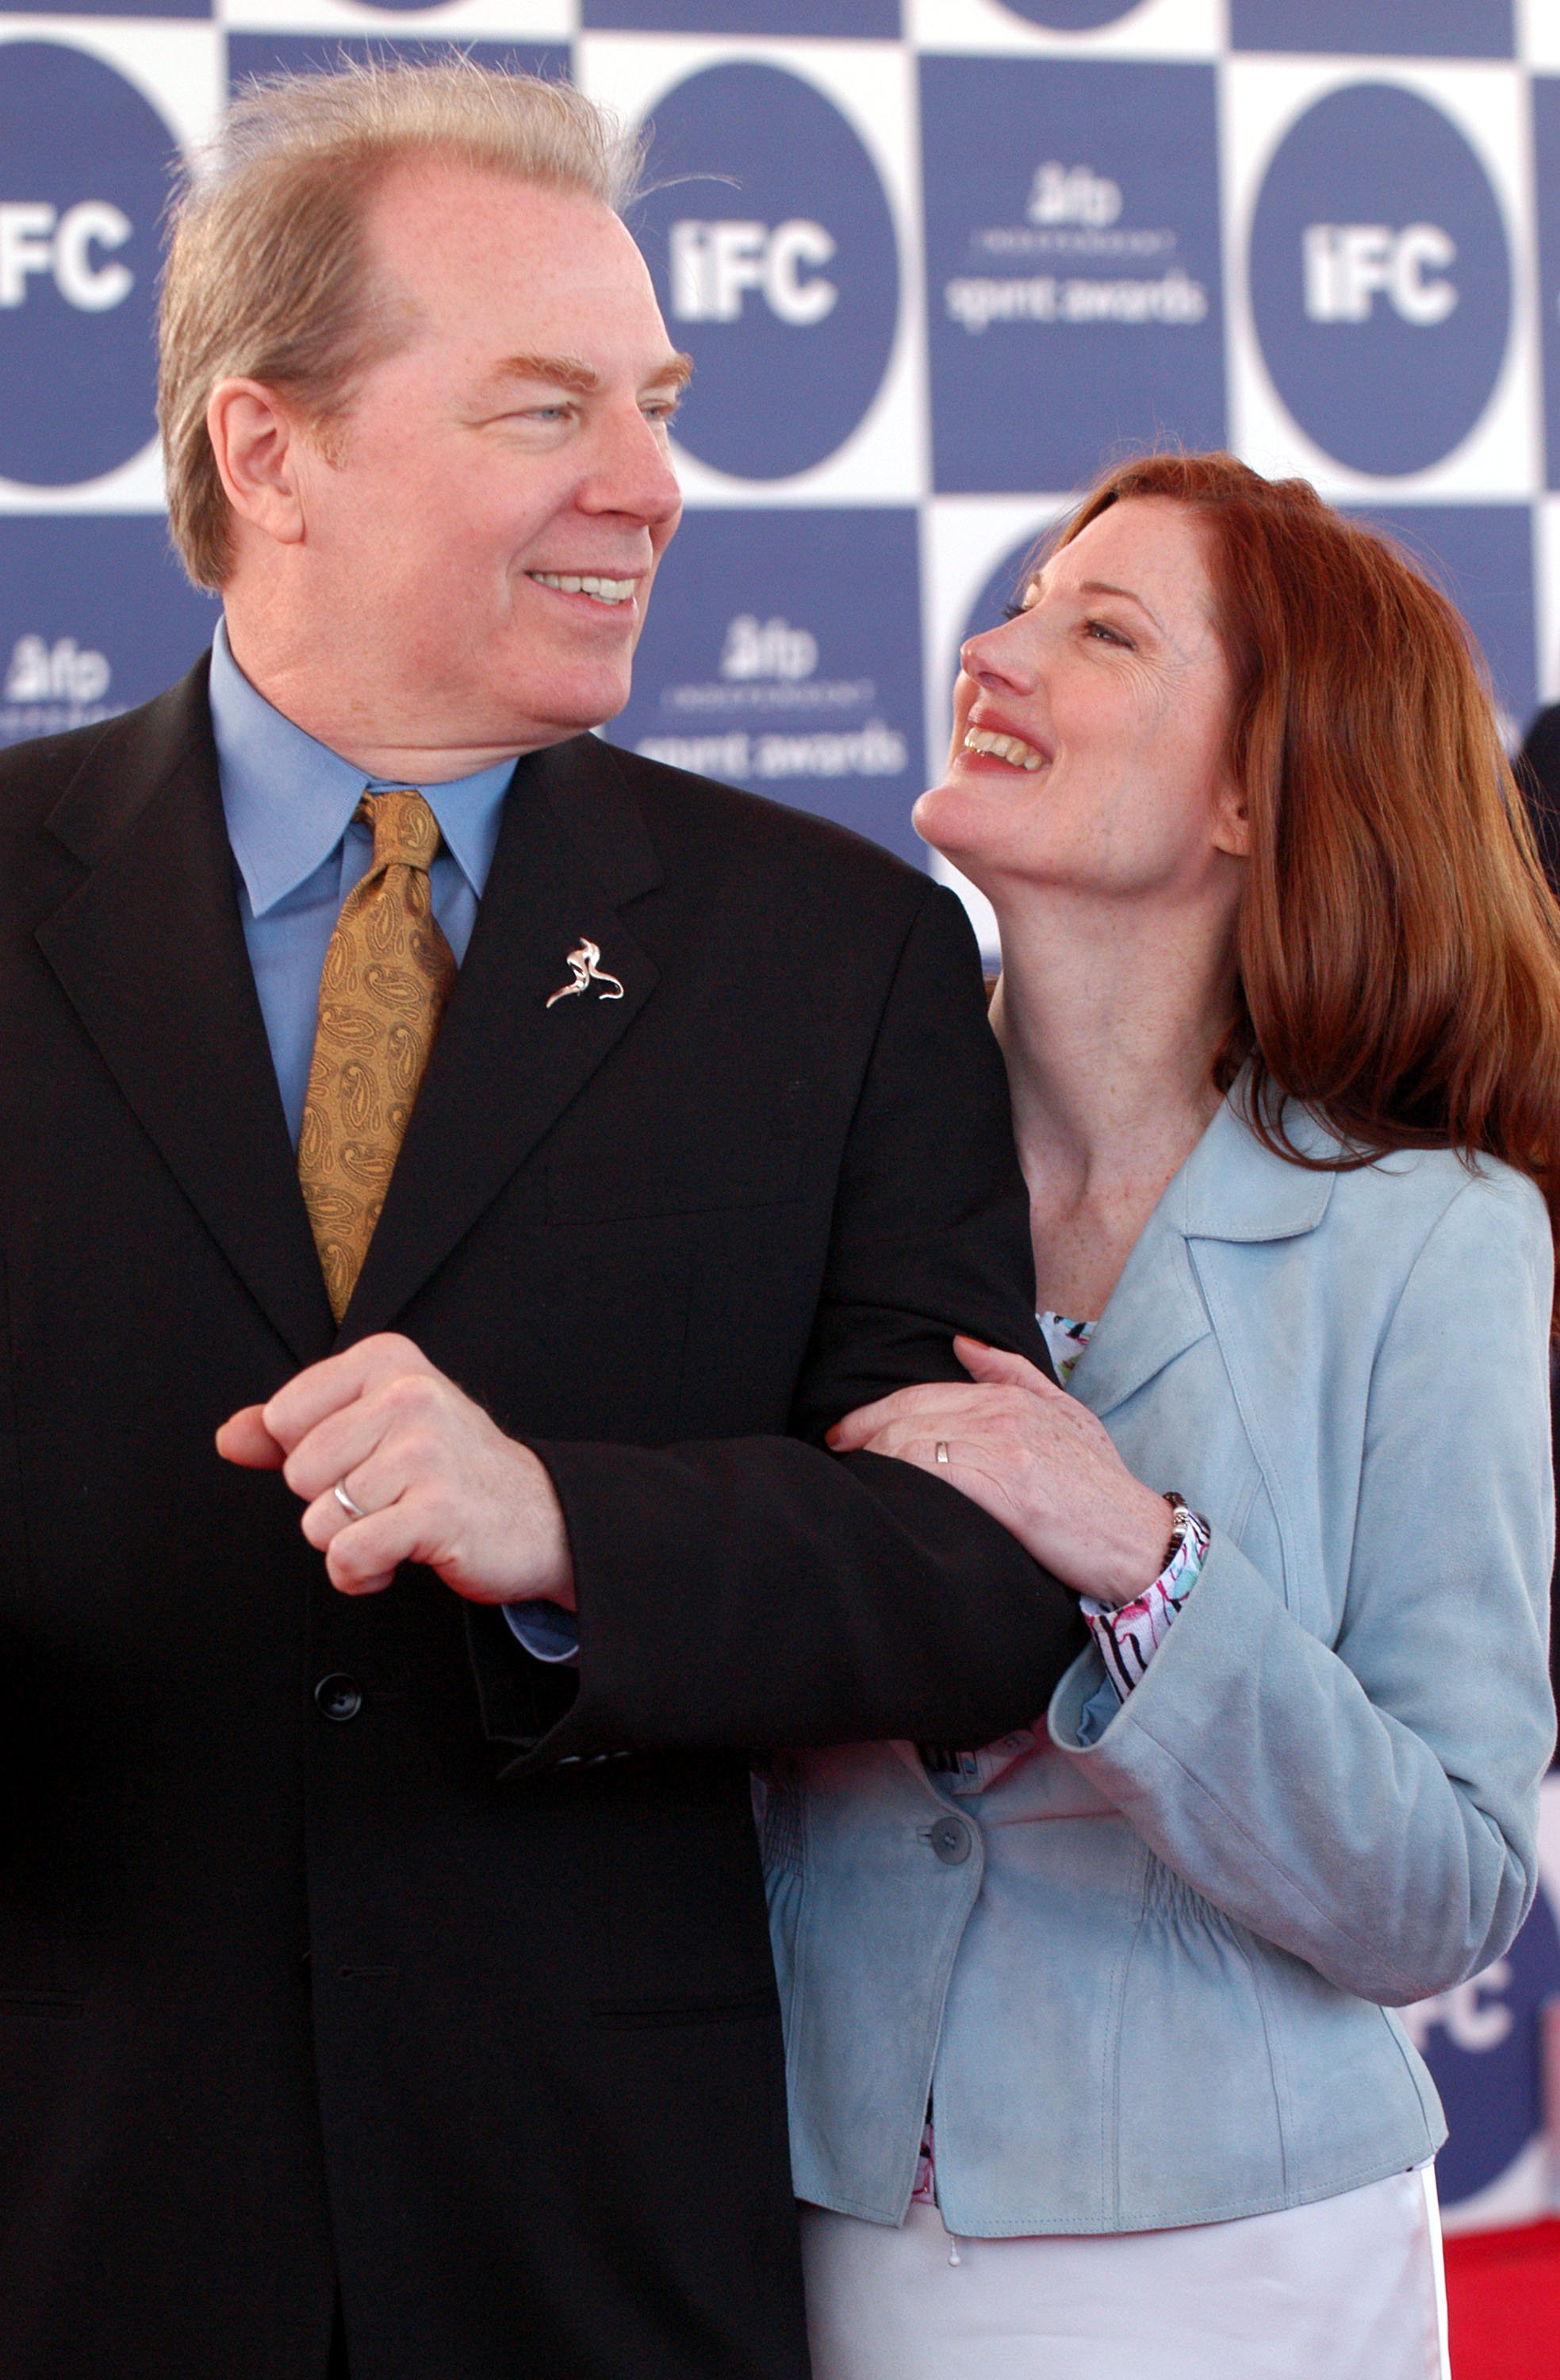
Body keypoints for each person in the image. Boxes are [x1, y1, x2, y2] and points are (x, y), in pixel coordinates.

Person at [0, 62, 1084, 2380]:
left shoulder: (843, 950)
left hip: (600, 2244)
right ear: (264, 450)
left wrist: (567, 1527)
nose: (650, 484)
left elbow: (978, 1579)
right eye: (543, 406)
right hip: (71, 2200)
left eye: (658, 400)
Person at [765, 453, 1560, 2380]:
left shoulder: (1435, 1238)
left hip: (1239, 2265)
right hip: (798, 2215)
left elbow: (1443, 1890)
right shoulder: (794, 1152)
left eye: (1098, 628)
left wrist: (1138, 1555)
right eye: (1022, 600)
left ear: (1246, 796)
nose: (993, 651)